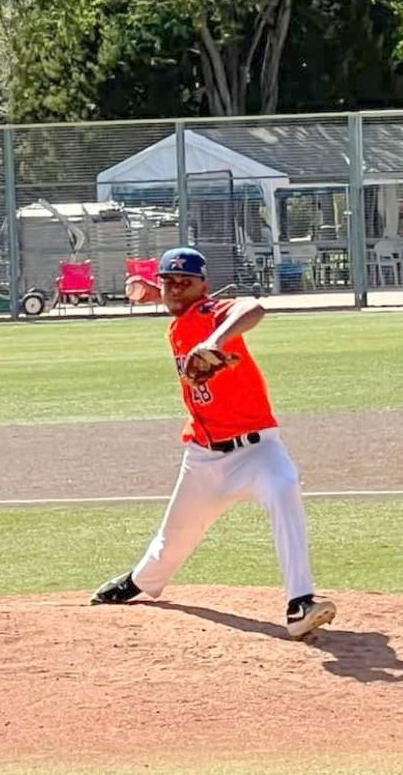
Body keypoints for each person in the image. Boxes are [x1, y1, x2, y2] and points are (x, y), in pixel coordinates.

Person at [90, 246, 337, 639]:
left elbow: (253, 309)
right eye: (168, 281)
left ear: (203, 286)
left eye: (184, 282)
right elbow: (173, 300)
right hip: (204, 459)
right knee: (173, 541)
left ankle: (300, 602)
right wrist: (155, 292)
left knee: (284, 488)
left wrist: (217, 342)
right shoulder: (182, 315)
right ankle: (138, 581)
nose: (175, 288)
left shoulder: (211, 314)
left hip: (258, 451)